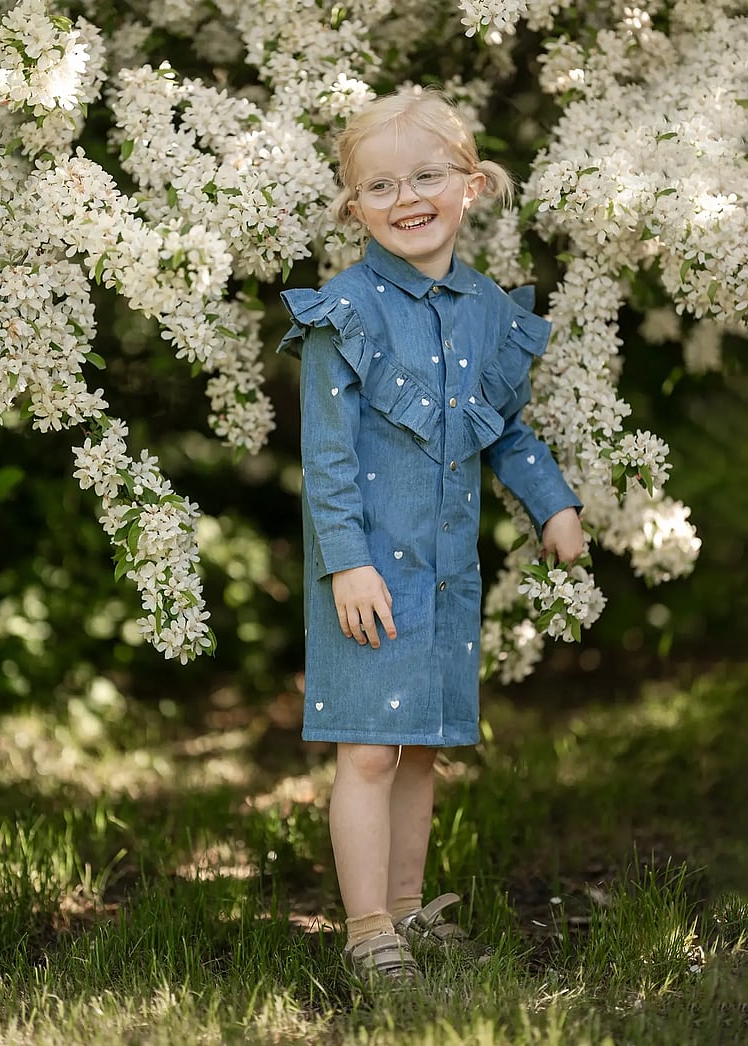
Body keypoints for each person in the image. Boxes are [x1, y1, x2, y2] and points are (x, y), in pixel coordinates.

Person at [278, 86, 584, 987]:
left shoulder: (490, 309)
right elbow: (326, 457)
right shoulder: (344, 312)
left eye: (427, 175)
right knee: (370, 747)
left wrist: (553, 504)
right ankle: (367, 929)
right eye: (380, 186)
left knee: (420, 748)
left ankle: (408, 912)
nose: (407, 198)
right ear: (354, 207)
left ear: (473, 184)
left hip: (446, 569)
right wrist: (348, 565)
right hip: (371, 569)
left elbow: (507, 429)